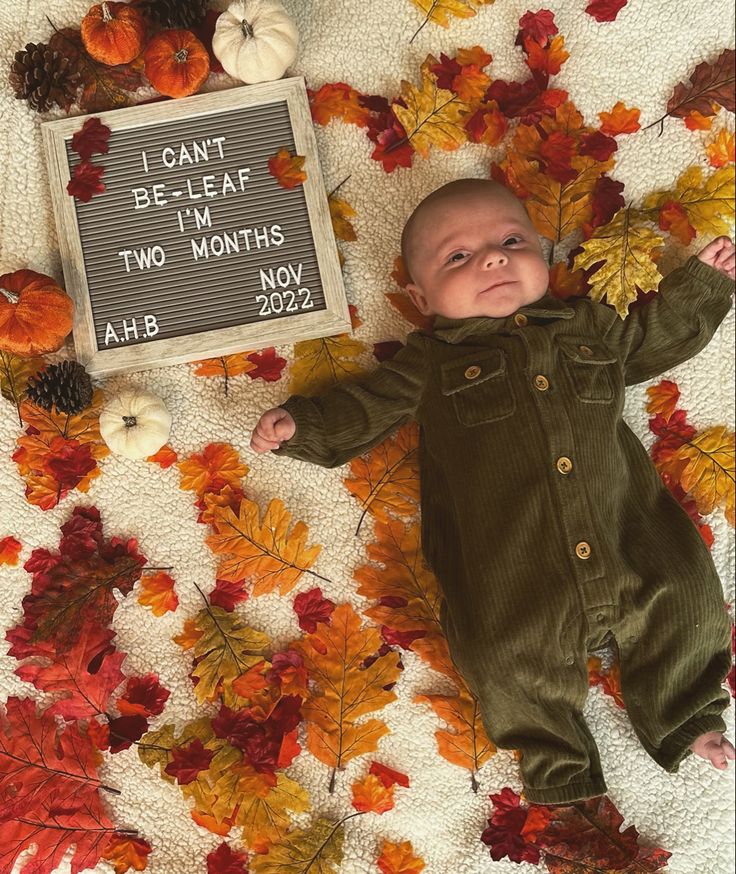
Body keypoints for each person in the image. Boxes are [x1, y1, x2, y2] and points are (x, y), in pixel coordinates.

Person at [250, 178, 736, 804]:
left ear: (543, 252)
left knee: (689, 598)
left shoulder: (587, 329)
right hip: (514, 576)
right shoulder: (430, 365)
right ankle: (557, 760)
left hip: (628, 533)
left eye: (511, 241)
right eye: (459, 257)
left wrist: (698, 288)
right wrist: (304, 426)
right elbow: (366, 406)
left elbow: (650, 337)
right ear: (421, 297)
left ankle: (685, 713)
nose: (493, 258)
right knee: (499, 658)